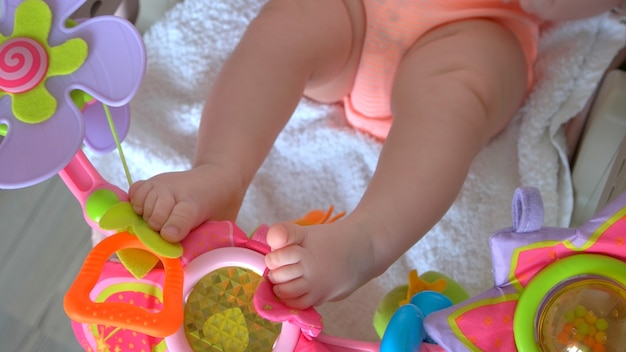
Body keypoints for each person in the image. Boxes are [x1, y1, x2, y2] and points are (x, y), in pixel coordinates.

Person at [128, 0, 624, 309]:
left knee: (456, 94)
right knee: (285, 25)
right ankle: (221, 170)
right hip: (352, 15)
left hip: (477, 24)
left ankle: (365, 241)